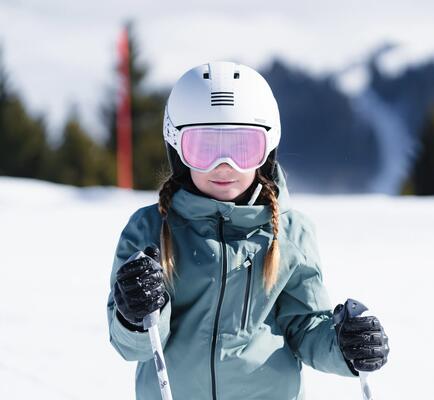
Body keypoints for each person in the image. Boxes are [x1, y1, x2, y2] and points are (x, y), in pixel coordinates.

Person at [107, 61, 389, 400]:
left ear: (267, 151)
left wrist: (343, 346)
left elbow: (305, 326)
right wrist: (136, 313)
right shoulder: (150, 230)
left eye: (243, 148)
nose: (224, 165)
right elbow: (133, 347)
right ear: (178, 149)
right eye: (204, 148)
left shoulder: (290, 233)